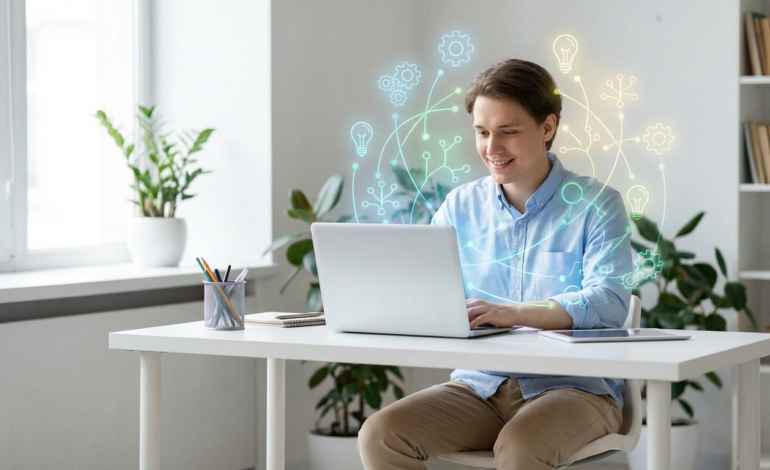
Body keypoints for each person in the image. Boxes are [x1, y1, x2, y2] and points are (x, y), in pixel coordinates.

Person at [357, 59, 634, 470]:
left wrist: (513, 313)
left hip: (576, 388)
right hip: (480, 386)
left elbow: (610, 302)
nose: (492, 148)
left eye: (508, 132)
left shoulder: (597, 204)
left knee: (520, 445)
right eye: (482, 133)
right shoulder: (459, 206)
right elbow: (426, 291)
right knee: (381, 435)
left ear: (547, 128)